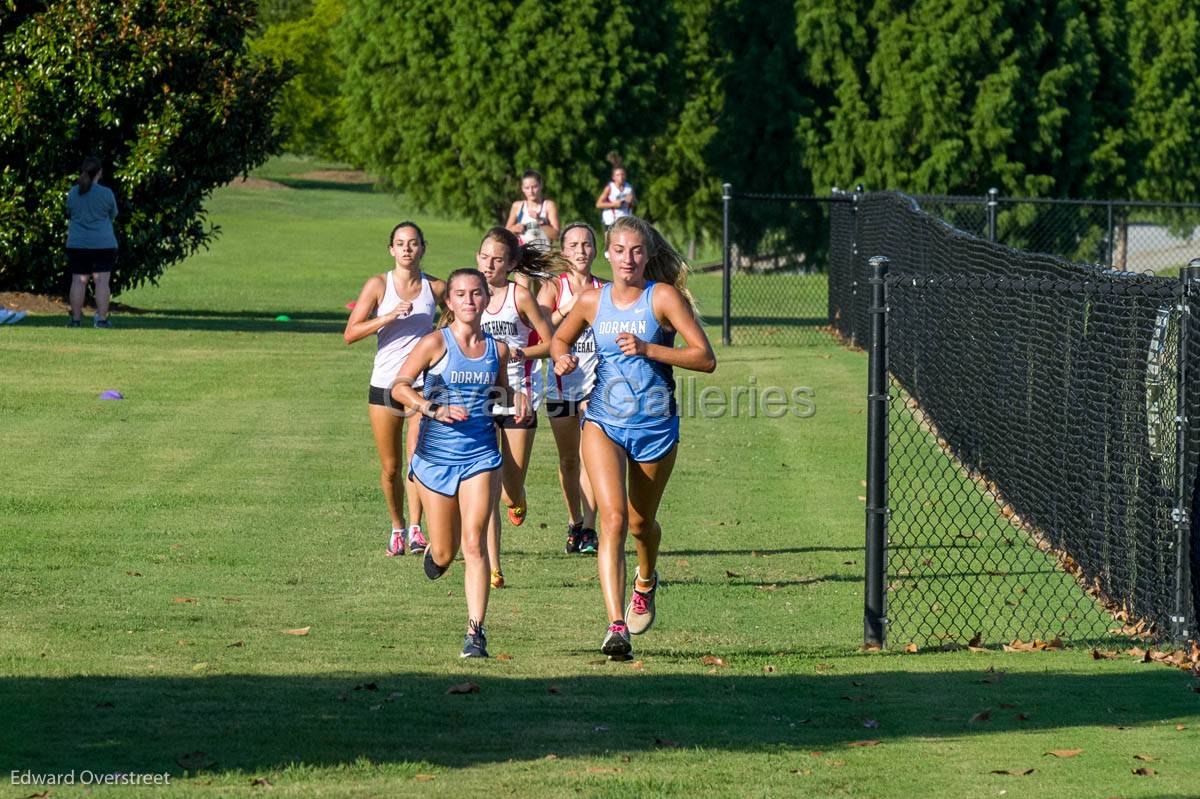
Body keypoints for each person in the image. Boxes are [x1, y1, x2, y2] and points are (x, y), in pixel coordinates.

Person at [551, 215, 716, 658]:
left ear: (647, 255)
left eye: (636, 251)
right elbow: (559, 339)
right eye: (620, 250)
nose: (627, 259)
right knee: (614, 520)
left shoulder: (661, 298)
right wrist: (562, 359)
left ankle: (645, 580)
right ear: (608, 253)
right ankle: (615, 625)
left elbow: (705, 357)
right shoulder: (590, 301)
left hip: (656, 426)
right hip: (603, 421)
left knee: (642, 525)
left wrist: (649, 349)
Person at [391, 268, 528, 658]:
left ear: (486, 299)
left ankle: (475, 633)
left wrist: (514, 401)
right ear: (449, 302)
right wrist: (430, 407)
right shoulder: (435, 343)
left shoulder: (497, 350)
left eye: (476, 294)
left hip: (481, 456)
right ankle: (436, 556)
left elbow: (500, 394)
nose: (469, 301)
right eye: (461, 295)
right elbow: (399, 387)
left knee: (474, 542)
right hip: (435, 459)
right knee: (445, 552)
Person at [344, 222, 445, 558]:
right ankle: (397, 527)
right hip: (385, 385)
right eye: (400, 244)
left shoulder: (436, 288)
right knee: (391, 467)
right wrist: (386, 317)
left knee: (417, 460)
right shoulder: (378, 285)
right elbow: (351, 332)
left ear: (423, 248)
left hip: (420, 384)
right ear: (391, 249)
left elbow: (457, 320)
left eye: (413, 243)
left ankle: (417, 530)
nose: (406, 249)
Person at [477, 228, 556, 588]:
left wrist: (519, 352)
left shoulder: (519, 296)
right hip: (480, 397)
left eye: (497, 259)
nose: (488, 264)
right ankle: (493, 566)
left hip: (519, 395)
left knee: (508, 489)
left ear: (510, 264)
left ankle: (518, 499)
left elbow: (553, 343)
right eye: (484, 256)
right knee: (487, 485)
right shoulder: (469, 295)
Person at [537, 221, 606, 555]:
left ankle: (591, 529)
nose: (581, 250)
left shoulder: (605, 288)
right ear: (563, 251)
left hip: (597, 386)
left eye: (587, 244)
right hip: (562, 386)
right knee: (568, 461)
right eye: (574, 245)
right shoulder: (554, 287)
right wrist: (572, 308)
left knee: (591, 458)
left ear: (595, 249)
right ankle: (575, 521)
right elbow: (539, 329)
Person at [66, 156, 119, 328]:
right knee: (102, 282)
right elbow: (113, 214)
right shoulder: (106, 193)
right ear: (99, 173)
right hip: (103, 244)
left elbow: (70, 211)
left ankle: (75, 319)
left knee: (78, 281)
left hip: (78, 243)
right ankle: (101, 319)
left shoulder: (73, 192)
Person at [505, 169, 560, 252]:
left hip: (544, 257)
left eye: (534, 187)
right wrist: (515, 228)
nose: (531, 191)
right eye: (527, 188)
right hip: (523, 257)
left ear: (541, 185)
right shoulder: (518, 206)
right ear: (522, 188)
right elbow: (506, 232)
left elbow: (556, 236)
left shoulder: (548, 206)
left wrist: (540, 221)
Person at [595, 163, 635, 228]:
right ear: (613, 177)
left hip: (625, 219)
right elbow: (598, 204)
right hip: (611, 220)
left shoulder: (629, 187)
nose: (621, 177)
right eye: (618, 175)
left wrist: (631, 202)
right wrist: (613, 204)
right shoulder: (609, 188)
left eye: (622, 174)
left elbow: (632, 205)